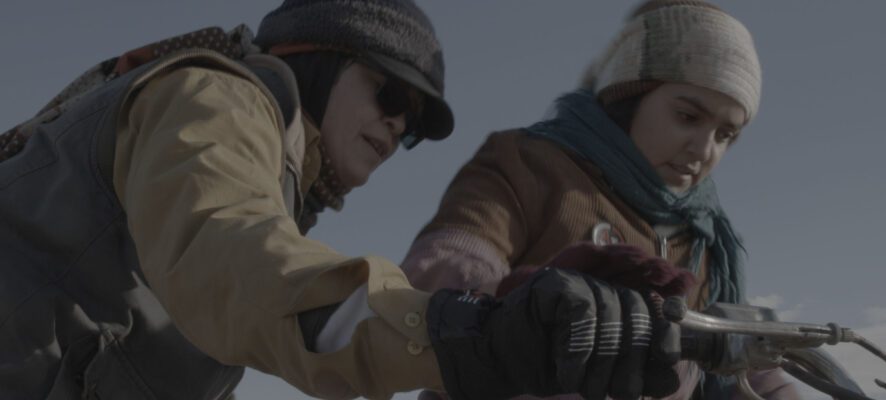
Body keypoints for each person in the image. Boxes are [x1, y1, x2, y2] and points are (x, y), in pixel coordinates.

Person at [0, 1, 680, 399]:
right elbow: (235, 263)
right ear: (311, 57)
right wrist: (461, 329)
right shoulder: (217, 100)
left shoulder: (275, 190)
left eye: (412, 127)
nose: (397, 126)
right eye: (390, 95)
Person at [401, 1, 801, 399]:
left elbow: (740, 357)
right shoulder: (528, 164)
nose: (703, 149)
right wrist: (522, 309)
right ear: (631, 96)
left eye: (725, 135)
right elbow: (444, 269)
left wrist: (777, 387)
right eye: (687, 116)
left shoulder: (706, 238)